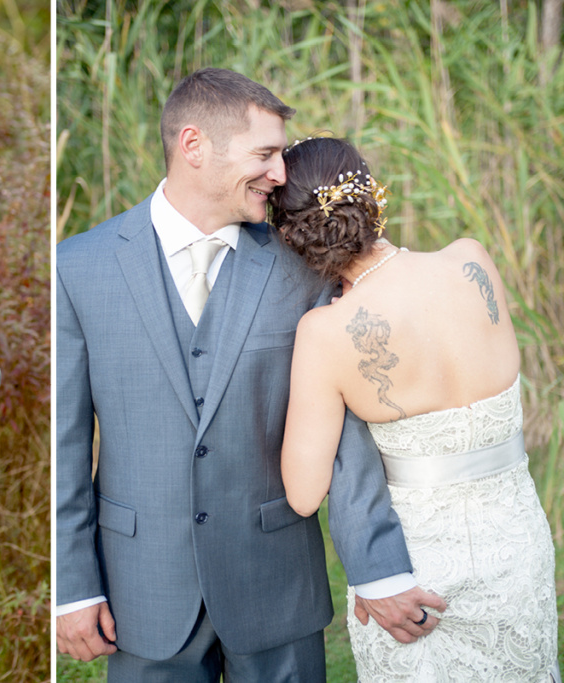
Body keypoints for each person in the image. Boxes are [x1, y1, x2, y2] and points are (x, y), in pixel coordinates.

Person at [55, 68, 442, 682]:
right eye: (264, 154)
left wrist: (378, 570)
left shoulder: (300, 268)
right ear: (193, 146)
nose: (281, 175)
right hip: (143, 591)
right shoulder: (78, 267)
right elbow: (63, 444)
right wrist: (73, 587)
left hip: (276, 583)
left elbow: (338, 434)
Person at [271, 136, 559, 682]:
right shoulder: (470, 258)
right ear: (371, 193)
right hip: (516, 545)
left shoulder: (326, 333)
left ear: (294, 237)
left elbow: (304, 494)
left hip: (416, 573)